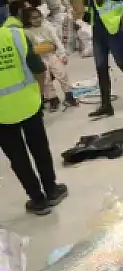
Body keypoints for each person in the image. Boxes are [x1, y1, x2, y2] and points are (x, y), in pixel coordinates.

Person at [0, 17, 67, 215]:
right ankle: (52, 190)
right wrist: (38, 94)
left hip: (2, 115)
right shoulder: (16, 35)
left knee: (17, 156)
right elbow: (38, 68)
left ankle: (38, 200)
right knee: (39, 148)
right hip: (29, 104)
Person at [20, 7, 76, 111]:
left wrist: (62, 54)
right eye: (34, 18)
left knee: (61, 73)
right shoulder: (26, 32)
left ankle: (69, 95)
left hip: (51, 54)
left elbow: (56, 40)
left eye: (39, 17)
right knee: (46, 79)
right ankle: (53, 99)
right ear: (28, 20)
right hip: (39, 57)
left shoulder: (47, 27)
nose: (37, 20)